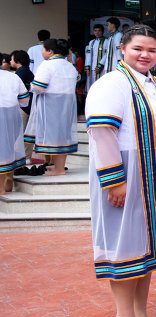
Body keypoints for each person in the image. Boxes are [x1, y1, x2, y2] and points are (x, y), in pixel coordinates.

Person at [85, 25, 156, 317]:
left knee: (147, 244)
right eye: (138, 49)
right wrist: (114, 180)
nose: (145, 55)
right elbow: (102, 132)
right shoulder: (111, 84)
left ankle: (141, 313)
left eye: (152, 50)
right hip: (128, 170)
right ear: (122, 50)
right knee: (125, 245)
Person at [25, 38, 79, 176]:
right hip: (67, 103)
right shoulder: (69, 65)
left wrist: (27, 87)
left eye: (43, 49)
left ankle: (59, 169)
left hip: (51, 103)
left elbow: (39, 86)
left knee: (53, 136)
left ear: (50, 51)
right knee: (62, 136)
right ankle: (58, 166)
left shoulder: (47, 65)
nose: (42, 51)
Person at [0, 70, 30, 194]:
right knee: (9, 148)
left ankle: (1, 187)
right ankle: (8, 183)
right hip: (12, 114)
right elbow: (24, 100)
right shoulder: (13, 76)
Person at [85, 24, 105, 91]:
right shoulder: (92, 42)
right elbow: (88, 55)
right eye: (95, 31)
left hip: (102, 68)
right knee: (91, 86)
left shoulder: (106, 41)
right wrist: (87, 67)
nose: (97, 33)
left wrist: (100, 65)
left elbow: (106, 55)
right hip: (92, 68)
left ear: (103, 32)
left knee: (101, 85)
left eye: (99, 31)